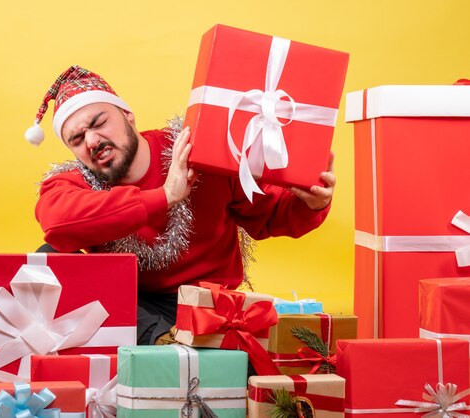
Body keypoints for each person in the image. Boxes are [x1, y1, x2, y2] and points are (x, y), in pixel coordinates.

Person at [25, 66, 335, 345]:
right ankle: (163, 345)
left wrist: (310, 204)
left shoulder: (198, 150)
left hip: (209, 304)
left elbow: (270, 215)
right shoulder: (72, 182)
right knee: (50, 258)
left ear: (128, 116)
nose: (92, 140)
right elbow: (56, 224)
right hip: (131, 310)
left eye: (99, 122)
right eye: (77, 139)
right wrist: (166, 195)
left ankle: (182, 352)